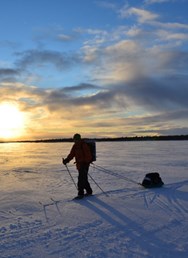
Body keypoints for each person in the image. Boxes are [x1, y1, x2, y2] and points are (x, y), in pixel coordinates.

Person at [63, 133, 93, 198]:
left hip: (84, 165)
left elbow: (88, 155)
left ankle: (80, 193)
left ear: (78, 139)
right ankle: (89, 191)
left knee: (81, 179)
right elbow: (72, 154)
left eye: (76, 139)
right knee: (84, 178)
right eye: (74, 139)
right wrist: (67, 160)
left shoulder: (83, 145)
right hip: (79, 165)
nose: (75, 141)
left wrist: (85, 163)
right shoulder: (75, 146)